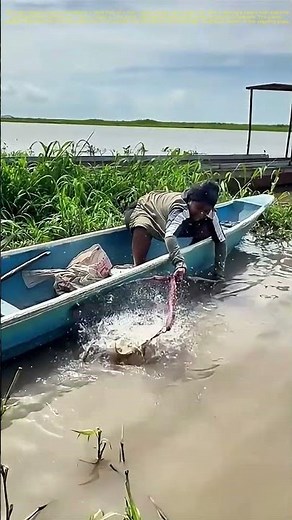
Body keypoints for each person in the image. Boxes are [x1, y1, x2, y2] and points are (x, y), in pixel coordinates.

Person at [124, 180, 227, 282]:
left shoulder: (210, 214)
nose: (201, 214)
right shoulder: (180, 208)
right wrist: (179, 263)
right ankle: (138, 266)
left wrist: (219, 274)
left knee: (207, 230)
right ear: (190, 202)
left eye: (206, 211)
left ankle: (190, 252)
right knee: (143, 226)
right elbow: (169, 236)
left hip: (170, 217)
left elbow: (221, 240)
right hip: (145, 208)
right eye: (199, 208)